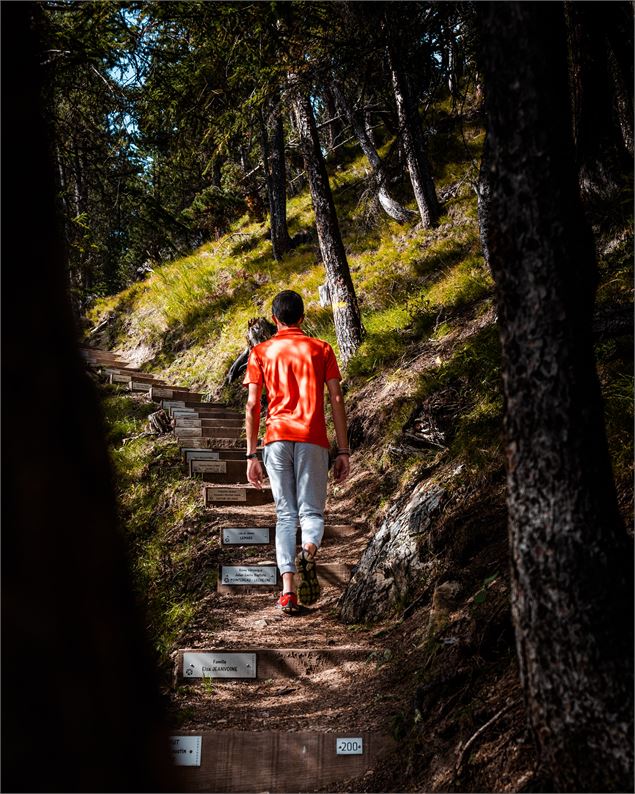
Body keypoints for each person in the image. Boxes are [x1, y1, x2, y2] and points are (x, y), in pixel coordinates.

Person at [243, 290, 351, 614]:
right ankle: (309, 550)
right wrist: (343, 449)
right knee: (312, 513)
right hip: (312, 438)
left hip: (275, 438)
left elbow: (251, 406)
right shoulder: (322, 349)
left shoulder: (260, 351)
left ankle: (288, 590)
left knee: (285, 515)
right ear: (302, 318)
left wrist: (251, 455)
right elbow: (336, 399)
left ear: (275, 320)